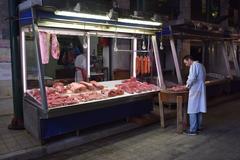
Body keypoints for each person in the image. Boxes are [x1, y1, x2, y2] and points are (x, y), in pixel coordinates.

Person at [183, 55, 207, 135]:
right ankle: (199, 127)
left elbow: (192, 78)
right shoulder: (201, 65)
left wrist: (187, 86)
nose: (186, 65)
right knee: (199, 109)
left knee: (192, 109)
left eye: (186, 63)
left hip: (195, 90)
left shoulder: (194, 66)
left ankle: (193, 130)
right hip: (201, 89)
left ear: (189, 60)